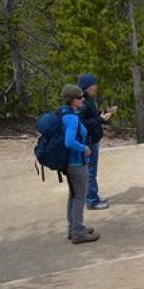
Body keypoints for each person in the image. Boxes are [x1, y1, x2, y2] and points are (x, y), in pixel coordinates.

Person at [60, 84, 100, 244]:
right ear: (71, 100)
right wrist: (84, 148)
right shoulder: (72, 118)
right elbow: (69, 141)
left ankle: (73, 227)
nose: (82, 99)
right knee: (80, 198)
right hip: (76, 163)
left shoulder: (63, 113)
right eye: (78, 97)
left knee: (74, 195)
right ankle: (78, 232)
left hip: (68, 163)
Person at [77, 73, 116, 210]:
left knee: (92, 170)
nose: (96, 86)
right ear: (87, 87)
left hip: (93, 139)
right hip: (89, 141)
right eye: (94, 84)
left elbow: (92, 116)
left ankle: (93, 196)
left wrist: (104, 112)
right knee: (90, 171)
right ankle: (92, 200)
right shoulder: (82, 102)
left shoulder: (88, 100)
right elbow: (81, 122)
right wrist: (100, 119)